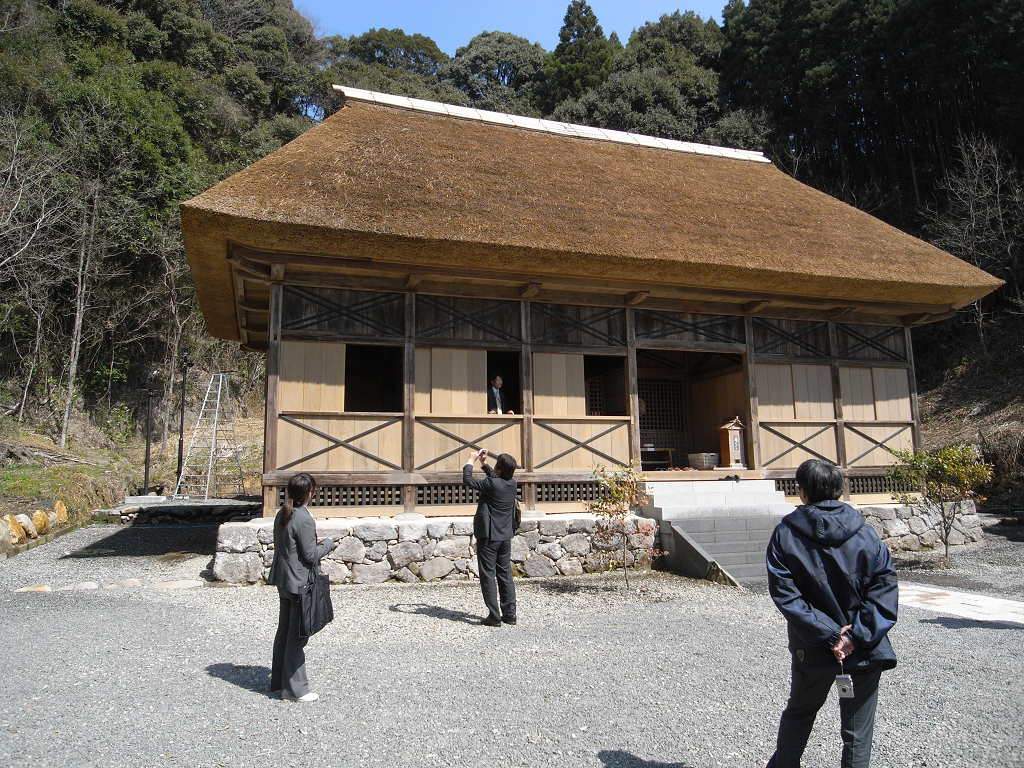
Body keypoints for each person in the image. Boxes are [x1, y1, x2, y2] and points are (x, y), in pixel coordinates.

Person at [765, 459, 898, 768]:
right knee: (858, 733)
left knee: (799, 715)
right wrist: (854, 636)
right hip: (863, 649)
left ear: (802, 492)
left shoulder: (786, 535)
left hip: (811, 648)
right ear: (839, 489)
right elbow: (885, 589)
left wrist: (830, 634)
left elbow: (786, 595)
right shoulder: (867, 534)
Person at [267, 473, 337, 702]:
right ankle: (296, 690)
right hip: (299, 583)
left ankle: (278, 682)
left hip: (283, 580)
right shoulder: (304, 518)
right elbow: (309, 555)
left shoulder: (283, 513)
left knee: (284, 631)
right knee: (298, 636)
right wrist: (327, 544)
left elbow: (292, 546)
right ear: (309, 493)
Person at [463, 448, 518, 626]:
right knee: (505, 574)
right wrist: (484, 463)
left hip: (489, 536)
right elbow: (495, 479)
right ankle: (509, 614)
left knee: (488, 575)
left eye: (496, 466)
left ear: (500, 469)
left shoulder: (492, 485)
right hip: (505, 536)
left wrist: (471, 461)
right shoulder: (512, 483)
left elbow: (468, 480)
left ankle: (494, 616)